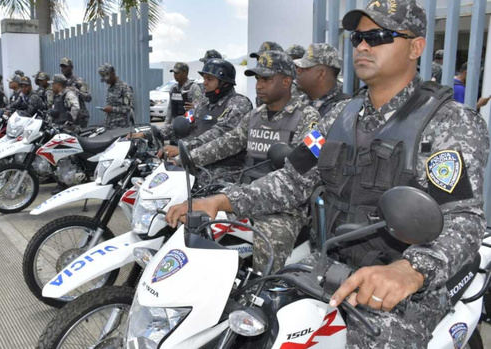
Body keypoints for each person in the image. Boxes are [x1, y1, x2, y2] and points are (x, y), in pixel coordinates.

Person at [166, 0, 489, 347]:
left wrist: (410, 271)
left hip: (400, 289)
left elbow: (463, 219)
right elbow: (293, 179)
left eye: (379, 36)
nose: (363, 45)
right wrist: (222, 200)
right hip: (328, 267)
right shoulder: (337, 118)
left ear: (416, 47)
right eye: (357, 38)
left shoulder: (449, 122)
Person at [187, 50, 321, 269]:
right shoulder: (255, 115)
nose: (259, 85)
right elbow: (226, 143)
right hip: (243, 194)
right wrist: (188, 157)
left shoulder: (308, 117)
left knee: (269, 239)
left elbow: (300, 175)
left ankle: (264, 292)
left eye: (266, 79)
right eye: (257, 79)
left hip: (283, 207)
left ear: (287, 81)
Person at [159, 58, 252, 159]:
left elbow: (219, 134)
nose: (205, 83)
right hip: (193, 161)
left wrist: (184, 149)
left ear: (224, 83)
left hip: (223, 169)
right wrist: (154, 133)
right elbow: (187, 120)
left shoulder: (238, 104)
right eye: (204, 79)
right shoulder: (204, 103)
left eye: (210, 79)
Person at [294, 43, 350, 117]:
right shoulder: (296, 103)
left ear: (321, 73)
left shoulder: (346, 109)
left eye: (304, 68)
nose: (297, 71)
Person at [98, 63, 134, 128]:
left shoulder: (124, 87)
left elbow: (128, 108)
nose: (106, 82)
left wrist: (112, 109)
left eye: (107, 79)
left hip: (120, 128)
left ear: (112, 74)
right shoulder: (110, 88)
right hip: (109, 125)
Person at [60, 57, 92, 128]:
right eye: (62, 66)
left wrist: (77, 92)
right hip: (65, 117)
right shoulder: (60, 82)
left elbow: (88, 98)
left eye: (65, 66)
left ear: (71, 67)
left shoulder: (78, 81)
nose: (63, 68)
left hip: (79, 117)